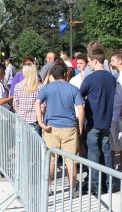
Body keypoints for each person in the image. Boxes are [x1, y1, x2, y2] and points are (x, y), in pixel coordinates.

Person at [35, 63, 85, 198]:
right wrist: (80, 127)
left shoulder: (47, 88)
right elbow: (80, 109)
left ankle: (48, 187)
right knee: (71, 160)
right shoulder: (73, 88)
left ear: (52, 75)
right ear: (65, 74)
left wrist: (40, 122)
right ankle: (73, 188)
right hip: (69, 127)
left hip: (51, 128)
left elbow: (37, 102)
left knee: (51, 159)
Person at [80, 48, 116, 194]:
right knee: (106, 153)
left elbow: (79, 96)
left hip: (93, 121)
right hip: (106, 121)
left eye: (89, 61)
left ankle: (95, 185)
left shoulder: (90, 78)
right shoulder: (112, 78)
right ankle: (108, 183)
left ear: (95, 60)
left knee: (93, 154)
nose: (88, 65)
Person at [13, 64, 44, 136]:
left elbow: (15, 104)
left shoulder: (18, 86)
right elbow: (42, 106)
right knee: (36, 145)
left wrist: (21, 111)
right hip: (36, 120)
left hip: (21, 119)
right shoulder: (41, 87)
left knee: (22, 144)